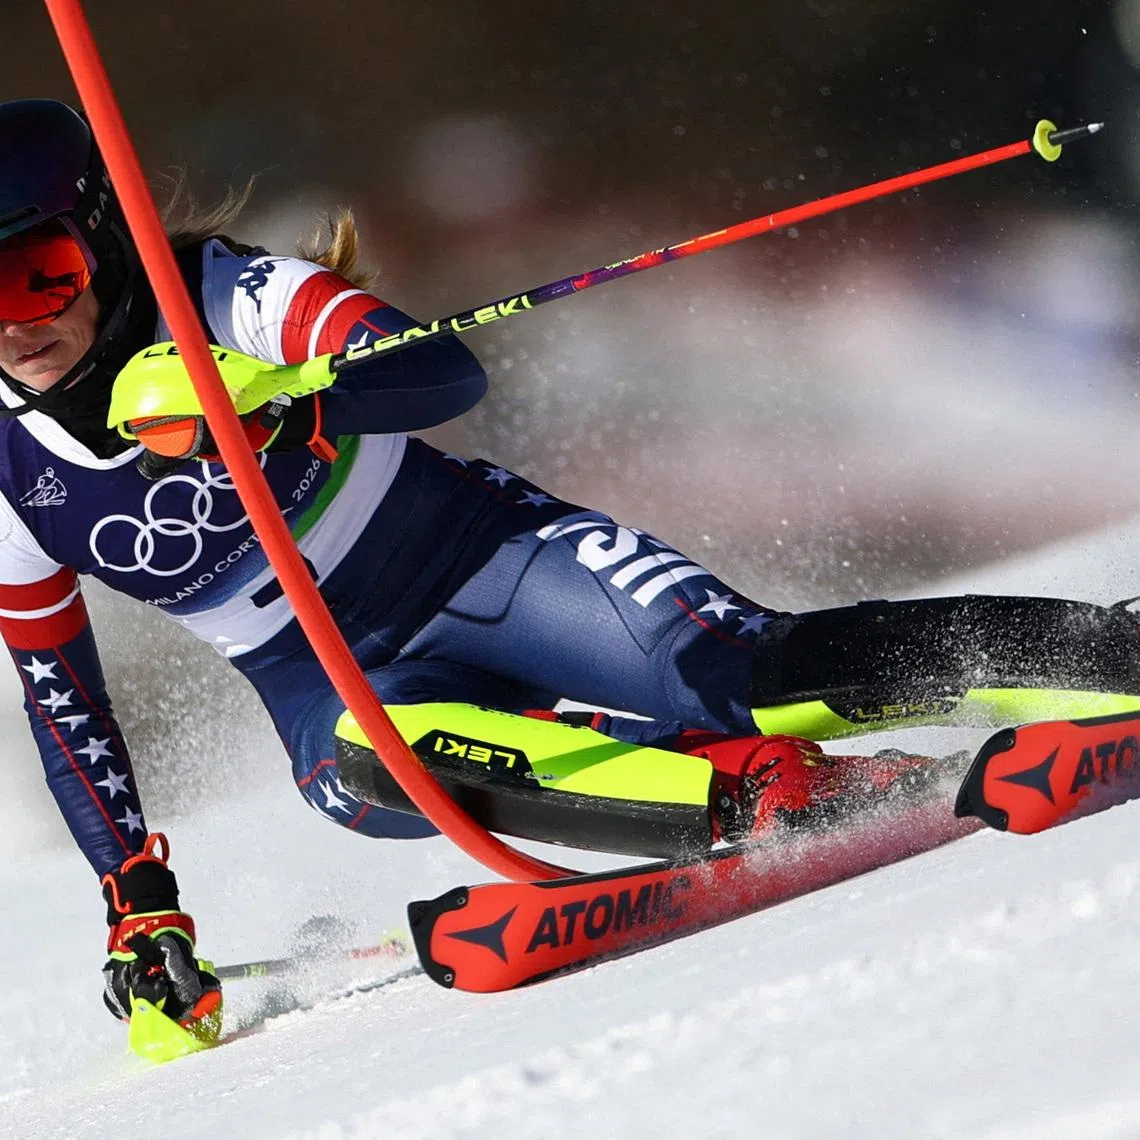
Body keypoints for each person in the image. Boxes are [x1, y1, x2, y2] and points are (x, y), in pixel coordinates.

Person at [0, 99, 932, 1037]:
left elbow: (443, 373)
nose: (13, 331)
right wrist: (139, 901)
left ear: (106, 240)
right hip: (340, 685)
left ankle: (1045, 650)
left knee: (751, 677)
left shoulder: (226, 296)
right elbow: (65, 706)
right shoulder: (10, 478)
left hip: (480, 560)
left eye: (37, 278)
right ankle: (761, 789)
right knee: (368, 762)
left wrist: (281, 412)